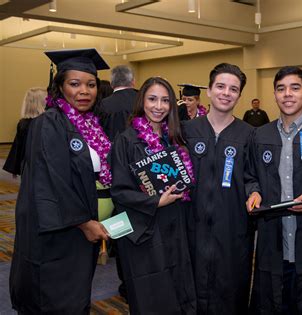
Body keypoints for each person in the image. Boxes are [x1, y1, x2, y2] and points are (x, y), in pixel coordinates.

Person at [9, 48, 111, 314]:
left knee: (76, 294)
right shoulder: (48, 123)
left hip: (79, 226)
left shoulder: (89, 125)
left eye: (90, 85)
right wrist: (85, 222)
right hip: (57, 229)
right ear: (60, 87)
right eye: (74, 84)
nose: (84, 91)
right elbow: (53, 179)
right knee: (56, 297)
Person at [246, 66, 302, 313]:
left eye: (295, 88)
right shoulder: (259, 135)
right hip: (272, 237)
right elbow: (250, 174)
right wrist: (253, 191)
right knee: (273, 304)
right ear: (274, 95)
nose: (287, 94)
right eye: (281, 88)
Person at [110, 76, 197, 314]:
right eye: (152, 99)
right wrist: (155, 201)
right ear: (142, 101)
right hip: (146, 227)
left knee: (180, 285)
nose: (158, 106)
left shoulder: (176, 138)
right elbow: (119, 190)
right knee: (152, 292)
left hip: (176, 222)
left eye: (165, 100)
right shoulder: (126, 140)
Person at [182, 63, 254, 314]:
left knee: (230, 292)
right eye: (220, 86)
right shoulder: (186, 131)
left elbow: (253, 178)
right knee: (189, 289)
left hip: (232, 230)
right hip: (191, 226)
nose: (226, 93)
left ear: (239, 95)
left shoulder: (248, 135)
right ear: (209, 91)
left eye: (233, 89)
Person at [3, 87, 47, 177]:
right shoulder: (44, 123)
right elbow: (18, 146)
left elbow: (17, 146)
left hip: (28, 165)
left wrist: (14, 168)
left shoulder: (23, 123)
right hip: (39, 165)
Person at [99, 65, 137, 140]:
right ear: (133, 81)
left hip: (112, 149)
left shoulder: (103, 104)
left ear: (111, 84)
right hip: (141, 149)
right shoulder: (143, 100)